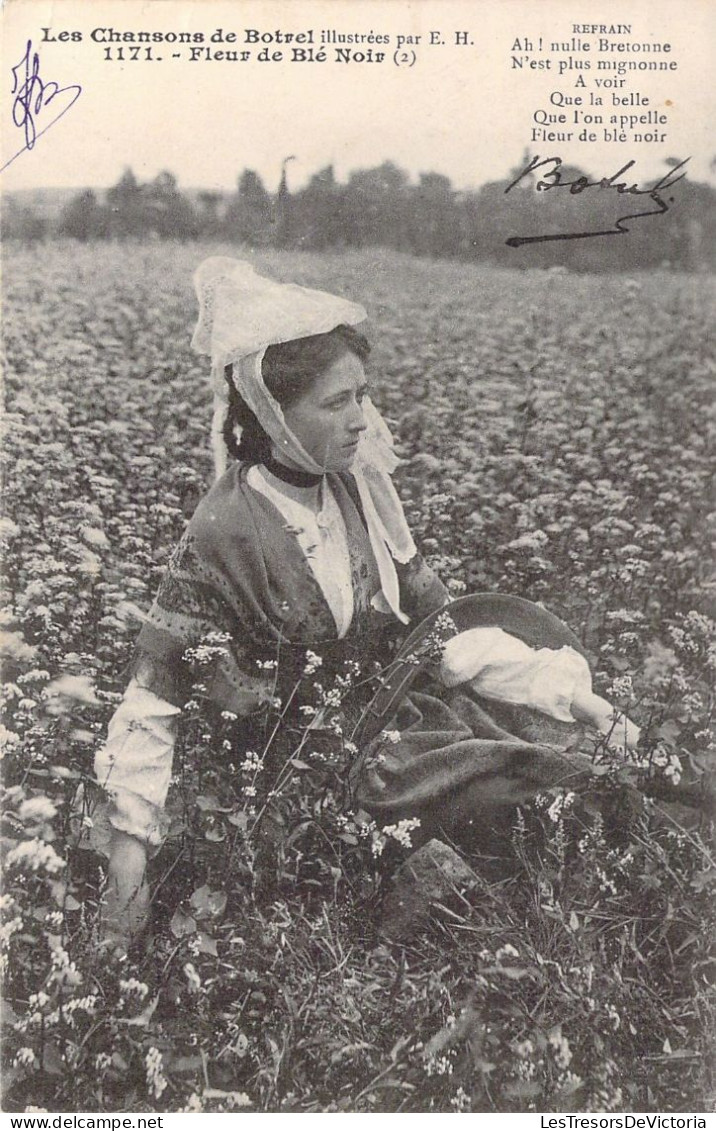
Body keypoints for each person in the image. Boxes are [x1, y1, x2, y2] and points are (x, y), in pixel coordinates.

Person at [93, 257, 638, 945]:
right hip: (305, 784)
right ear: (274, 412)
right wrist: (128, 858)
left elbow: (440, 632)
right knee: (530, 807)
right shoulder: (225, 529)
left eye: (362, 395)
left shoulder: (356, 490)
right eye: (335, 403)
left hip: (399, 738)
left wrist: (573, 696)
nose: (360, 421)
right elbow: (155, 694)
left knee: (574, 785)